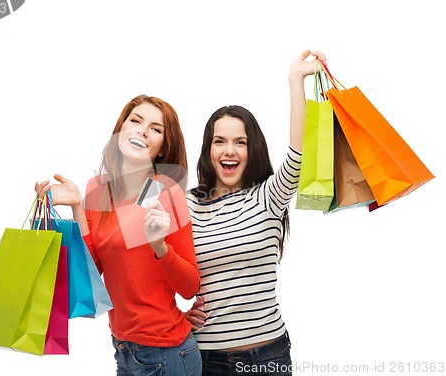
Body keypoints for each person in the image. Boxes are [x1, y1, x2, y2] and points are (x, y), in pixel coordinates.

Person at [35, 94, 202, 376]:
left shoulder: (164, 192)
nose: (142, 130)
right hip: (123, 349)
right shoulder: (98, 189)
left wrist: (159, 246)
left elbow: (190, 287)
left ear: (162, 148)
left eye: (156, 128)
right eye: (135, 121)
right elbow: (92, 272)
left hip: (167, 354)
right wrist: (77, 206)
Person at [185, 50, 327, 376]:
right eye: (219, 141)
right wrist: (173, 316)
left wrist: (295, 79)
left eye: (240, 142)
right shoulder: (187, 203)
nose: (229, 151)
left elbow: (299, 152)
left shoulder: (268, 196)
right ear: (208, 149)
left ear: (253, 149)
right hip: (204, 360)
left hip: (268, 357)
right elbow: (149, 262)